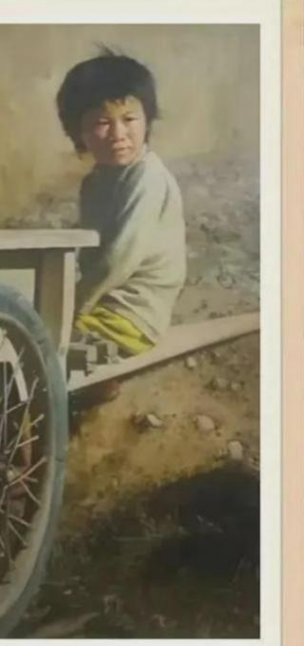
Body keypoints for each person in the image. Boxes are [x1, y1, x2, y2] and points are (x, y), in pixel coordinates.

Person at [57, 49, 186, 403]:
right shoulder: (95, 182)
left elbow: (118, 258)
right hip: (105, 300)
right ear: (78, 132)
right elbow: (91, 249)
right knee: (35, 330)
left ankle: (61, 415)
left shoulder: (146, 176)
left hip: (133, 312)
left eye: (129, 119)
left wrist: (73, 306)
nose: (118, 133)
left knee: (43, 347)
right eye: (102, 122)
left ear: (147, 121)